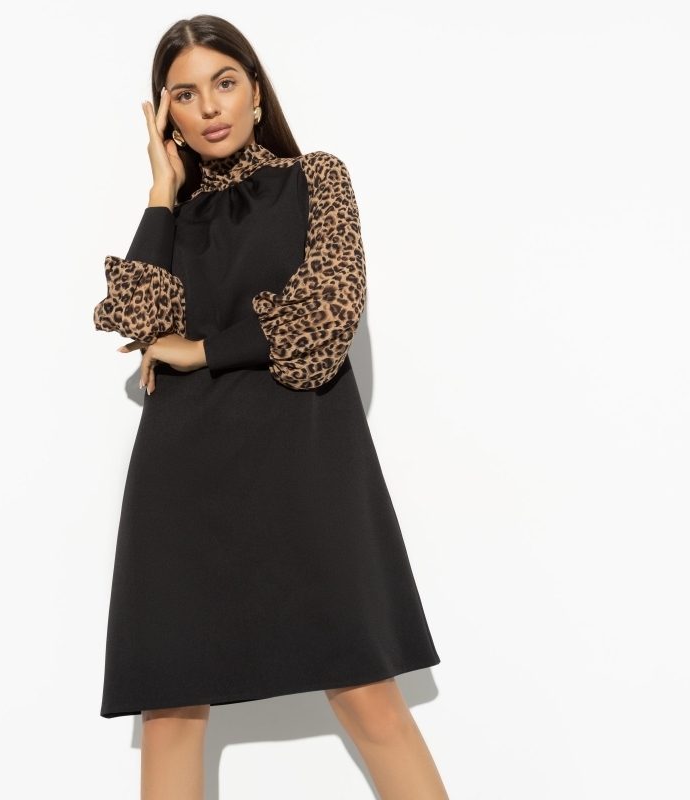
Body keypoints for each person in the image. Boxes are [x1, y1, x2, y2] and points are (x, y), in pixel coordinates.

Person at [93, 14, 449, 800]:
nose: (210, 106)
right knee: (170, 715)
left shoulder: (315, 179)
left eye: (224, 83)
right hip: (182, 481)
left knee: (369, 697)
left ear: (255, 90)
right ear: (167, 115)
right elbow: (137, 319)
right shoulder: (173, 218)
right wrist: (160, 192)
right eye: (185, 95)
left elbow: (328, 313)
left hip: (305, 464)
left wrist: (202, 349)